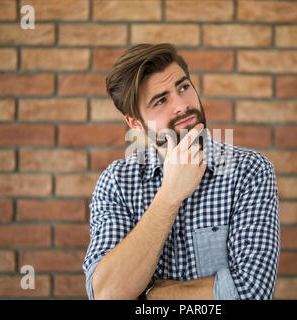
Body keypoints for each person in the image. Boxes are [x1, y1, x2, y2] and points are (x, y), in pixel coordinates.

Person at [83, 43, 280, 300]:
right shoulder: (118, 183)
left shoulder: (250, 172)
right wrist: (169, 196)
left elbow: (253, 293)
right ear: (135, 123)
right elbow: (108, 295)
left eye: (183, 87)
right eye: (161, 100)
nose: (182, 105)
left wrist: (148, 294)